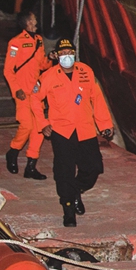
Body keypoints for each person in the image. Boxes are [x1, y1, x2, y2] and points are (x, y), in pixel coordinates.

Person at [33, 38, 113, 227]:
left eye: (69, 52)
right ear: (56, 56)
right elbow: (35, 99)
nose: (66, 56)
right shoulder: (48, 76)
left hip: (85, 129)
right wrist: (43, 123)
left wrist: (105, 124)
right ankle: (68, 208)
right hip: (62, 131)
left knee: (94, 167)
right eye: (62, 53)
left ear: (74, 53)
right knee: (64, 171)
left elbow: (97, 98)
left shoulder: (86, 71)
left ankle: (76, 189)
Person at [3, 11, 50, 180]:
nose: (36, 20)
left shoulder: (38, 40)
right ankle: (13, 151)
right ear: (28, 22)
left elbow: (42, 65)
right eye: (34, 19)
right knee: (27, 125)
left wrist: (51, 59)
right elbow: (8, 70)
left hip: (36, 92)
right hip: (22, 92)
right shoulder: (16, 42)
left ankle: (31, 165)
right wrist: (16, 89)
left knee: (39, 128)